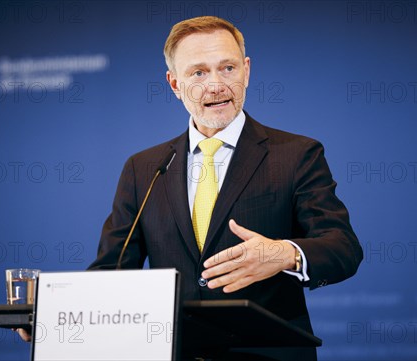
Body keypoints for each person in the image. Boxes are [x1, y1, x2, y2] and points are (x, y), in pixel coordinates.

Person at [20, 16, 363, 360]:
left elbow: (343, 248)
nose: (215, 84)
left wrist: (284, 254)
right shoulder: (144, 168)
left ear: (246, 70)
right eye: (198, 73)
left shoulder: (296, 154)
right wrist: (53, 315)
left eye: (227, 68)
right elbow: (112, 273)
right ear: (174, 83)